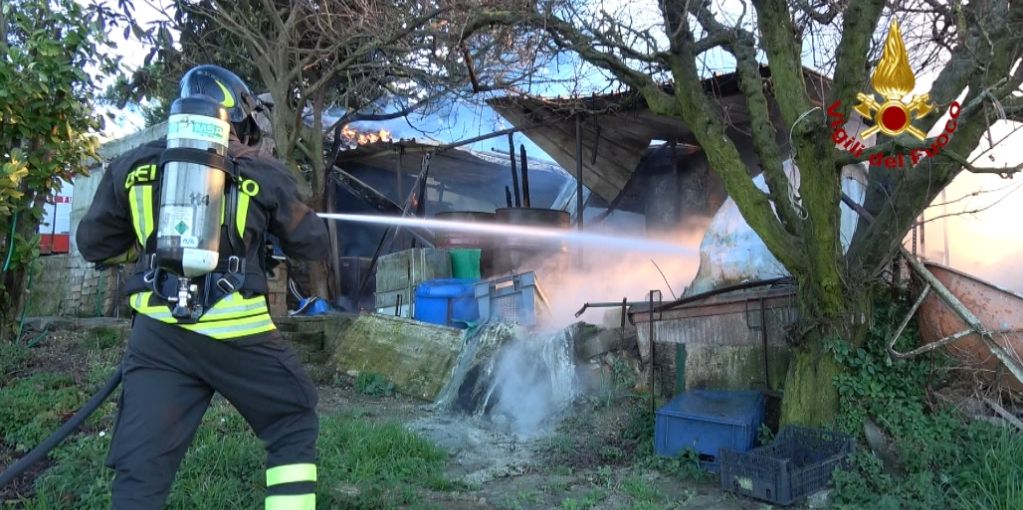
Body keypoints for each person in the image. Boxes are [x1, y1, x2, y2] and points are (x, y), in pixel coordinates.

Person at [76, 64, 329, 510]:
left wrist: (146, 247)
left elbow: (94, 245)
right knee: (292, 416)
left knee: (142, 468)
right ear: (236, 118)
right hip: (237, 332)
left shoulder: (131, 165)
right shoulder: (263, 171)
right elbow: (311, 244)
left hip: (158, 335)